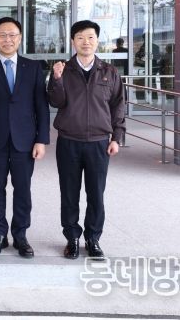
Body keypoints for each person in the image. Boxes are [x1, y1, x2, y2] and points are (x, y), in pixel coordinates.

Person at [0, 17, 49, 258]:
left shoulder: (32, 67)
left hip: (25, 139)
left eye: (12, 34)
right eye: (2, 35)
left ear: (20, 38)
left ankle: (21, 235)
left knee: (22, 188)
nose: (7, 39)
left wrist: (41, 140)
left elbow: (41, 106)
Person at [48, 20, 125, 260]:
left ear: (97, 41)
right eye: (80, 37)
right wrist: (56, 79)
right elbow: (55, 102)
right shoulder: (63, 70)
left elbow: (118, 106)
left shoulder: (109, 72)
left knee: (96, 194)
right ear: (73, 41)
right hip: (69, 141)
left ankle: (93, 239)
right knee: (69, 193)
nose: (86, 42)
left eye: (90, 37)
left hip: (99, 143)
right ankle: (72, 238)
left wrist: (117, 137)